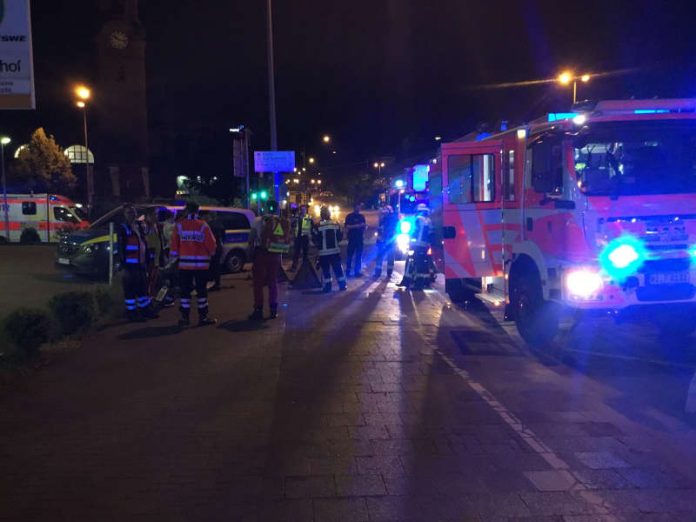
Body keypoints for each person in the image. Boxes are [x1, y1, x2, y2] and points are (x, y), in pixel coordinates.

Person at [169, 201, 218, 327]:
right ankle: (203, 317)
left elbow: (174, 247)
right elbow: (212, 246)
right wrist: (211, 255)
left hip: (184, 266)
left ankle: (184, 318)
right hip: (201, 266)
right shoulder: (203, 225)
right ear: (197, 211)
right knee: (201, 292)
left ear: (186, 211)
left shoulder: (179, 225)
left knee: (185, 293)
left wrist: (174, 259)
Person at [248, 200, 291, 320]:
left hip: (261, 254)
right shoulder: (281, 222)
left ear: (265, 208)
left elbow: (251, 239)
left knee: (258, 283)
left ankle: (258, 310)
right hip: (275, 254)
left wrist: (250, 253)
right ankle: (273, 310)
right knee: (273, 282)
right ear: (277, 208)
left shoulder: (258, 220)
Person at [118, 204, 157, 321]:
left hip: (141, 263)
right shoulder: (123, 228)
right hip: (130, 265)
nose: (132, 214)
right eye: (129, 212)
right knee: (131, 290)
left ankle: (145, 311)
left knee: (142, 288)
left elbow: (144, 242)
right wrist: (123, 264)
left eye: (133, 212)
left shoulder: (138, 226)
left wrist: (149, 258)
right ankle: (132, 314)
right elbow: (121, 247)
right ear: (124, 214)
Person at [400, 204, 433, 290]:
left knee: (411, 261)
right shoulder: (428, 221)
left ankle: (407, 281)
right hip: (424, 245)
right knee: (422, 263)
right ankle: (422, 282)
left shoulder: (418, 219)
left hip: (416, 245)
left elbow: (412, 231)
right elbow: (430, 233)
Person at [313, 206, 346, 293]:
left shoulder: (318, 226)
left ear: (321, 215)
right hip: (335, 251)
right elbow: (340, 237)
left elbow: (315, 239)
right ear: (329, 214)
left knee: (326, 270)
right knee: (338, 269)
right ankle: (342, 285)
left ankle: (328, 287)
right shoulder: (335, 224)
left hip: (323, 253)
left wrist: (318, 247)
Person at [143, 207, 165, 298]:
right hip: (149, 259)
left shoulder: (156, 226)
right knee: (149, 280)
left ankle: (152, 298)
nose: (156, 217)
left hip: (156, 258)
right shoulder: (145, 227)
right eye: (154, 215)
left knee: (154, 281)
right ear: (148, 216)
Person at [374, 204, 398, 279]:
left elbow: (392, 230)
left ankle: (382, 272)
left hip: (388, 241)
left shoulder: (390, 219)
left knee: (386, 257)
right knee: (386, 257)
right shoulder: (387, 218)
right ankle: (386, 273)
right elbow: (380, 230)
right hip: (386, 241)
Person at [344, 202, 367, 277]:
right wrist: (357, 226)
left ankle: (357, 271)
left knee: (359, 255)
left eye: (359, 207)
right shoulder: (349, 216)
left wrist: (364, 229)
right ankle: (348, 270)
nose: (358, 208)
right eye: (357, 207)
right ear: (354, 208)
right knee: (350, 255)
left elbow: (364, 227)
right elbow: (347, 226)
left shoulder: (361, 216)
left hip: (359, 239)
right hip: (352, 238)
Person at [289, 205, 313, 271]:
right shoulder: (296, 217)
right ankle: (294, 267)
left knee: (305, 254)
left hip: (305, 238)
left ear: (306, 210)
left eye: (304, 209)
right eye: (302, 209)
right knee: (296, 253)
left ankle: (304, 267)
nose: (303, 210)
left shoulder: (309, 218)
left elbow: (312, 227)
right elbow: (292, 225)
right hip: (298, 237)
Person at [205, 212, 225, 291]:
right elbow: (223, 236)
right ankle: (217, 283)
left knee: (211, 266)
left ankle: (211, 283)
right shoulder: (220, 224)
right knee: (217, 266)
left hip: (211, 247)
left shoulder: (209, 225)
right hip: (218, 246)